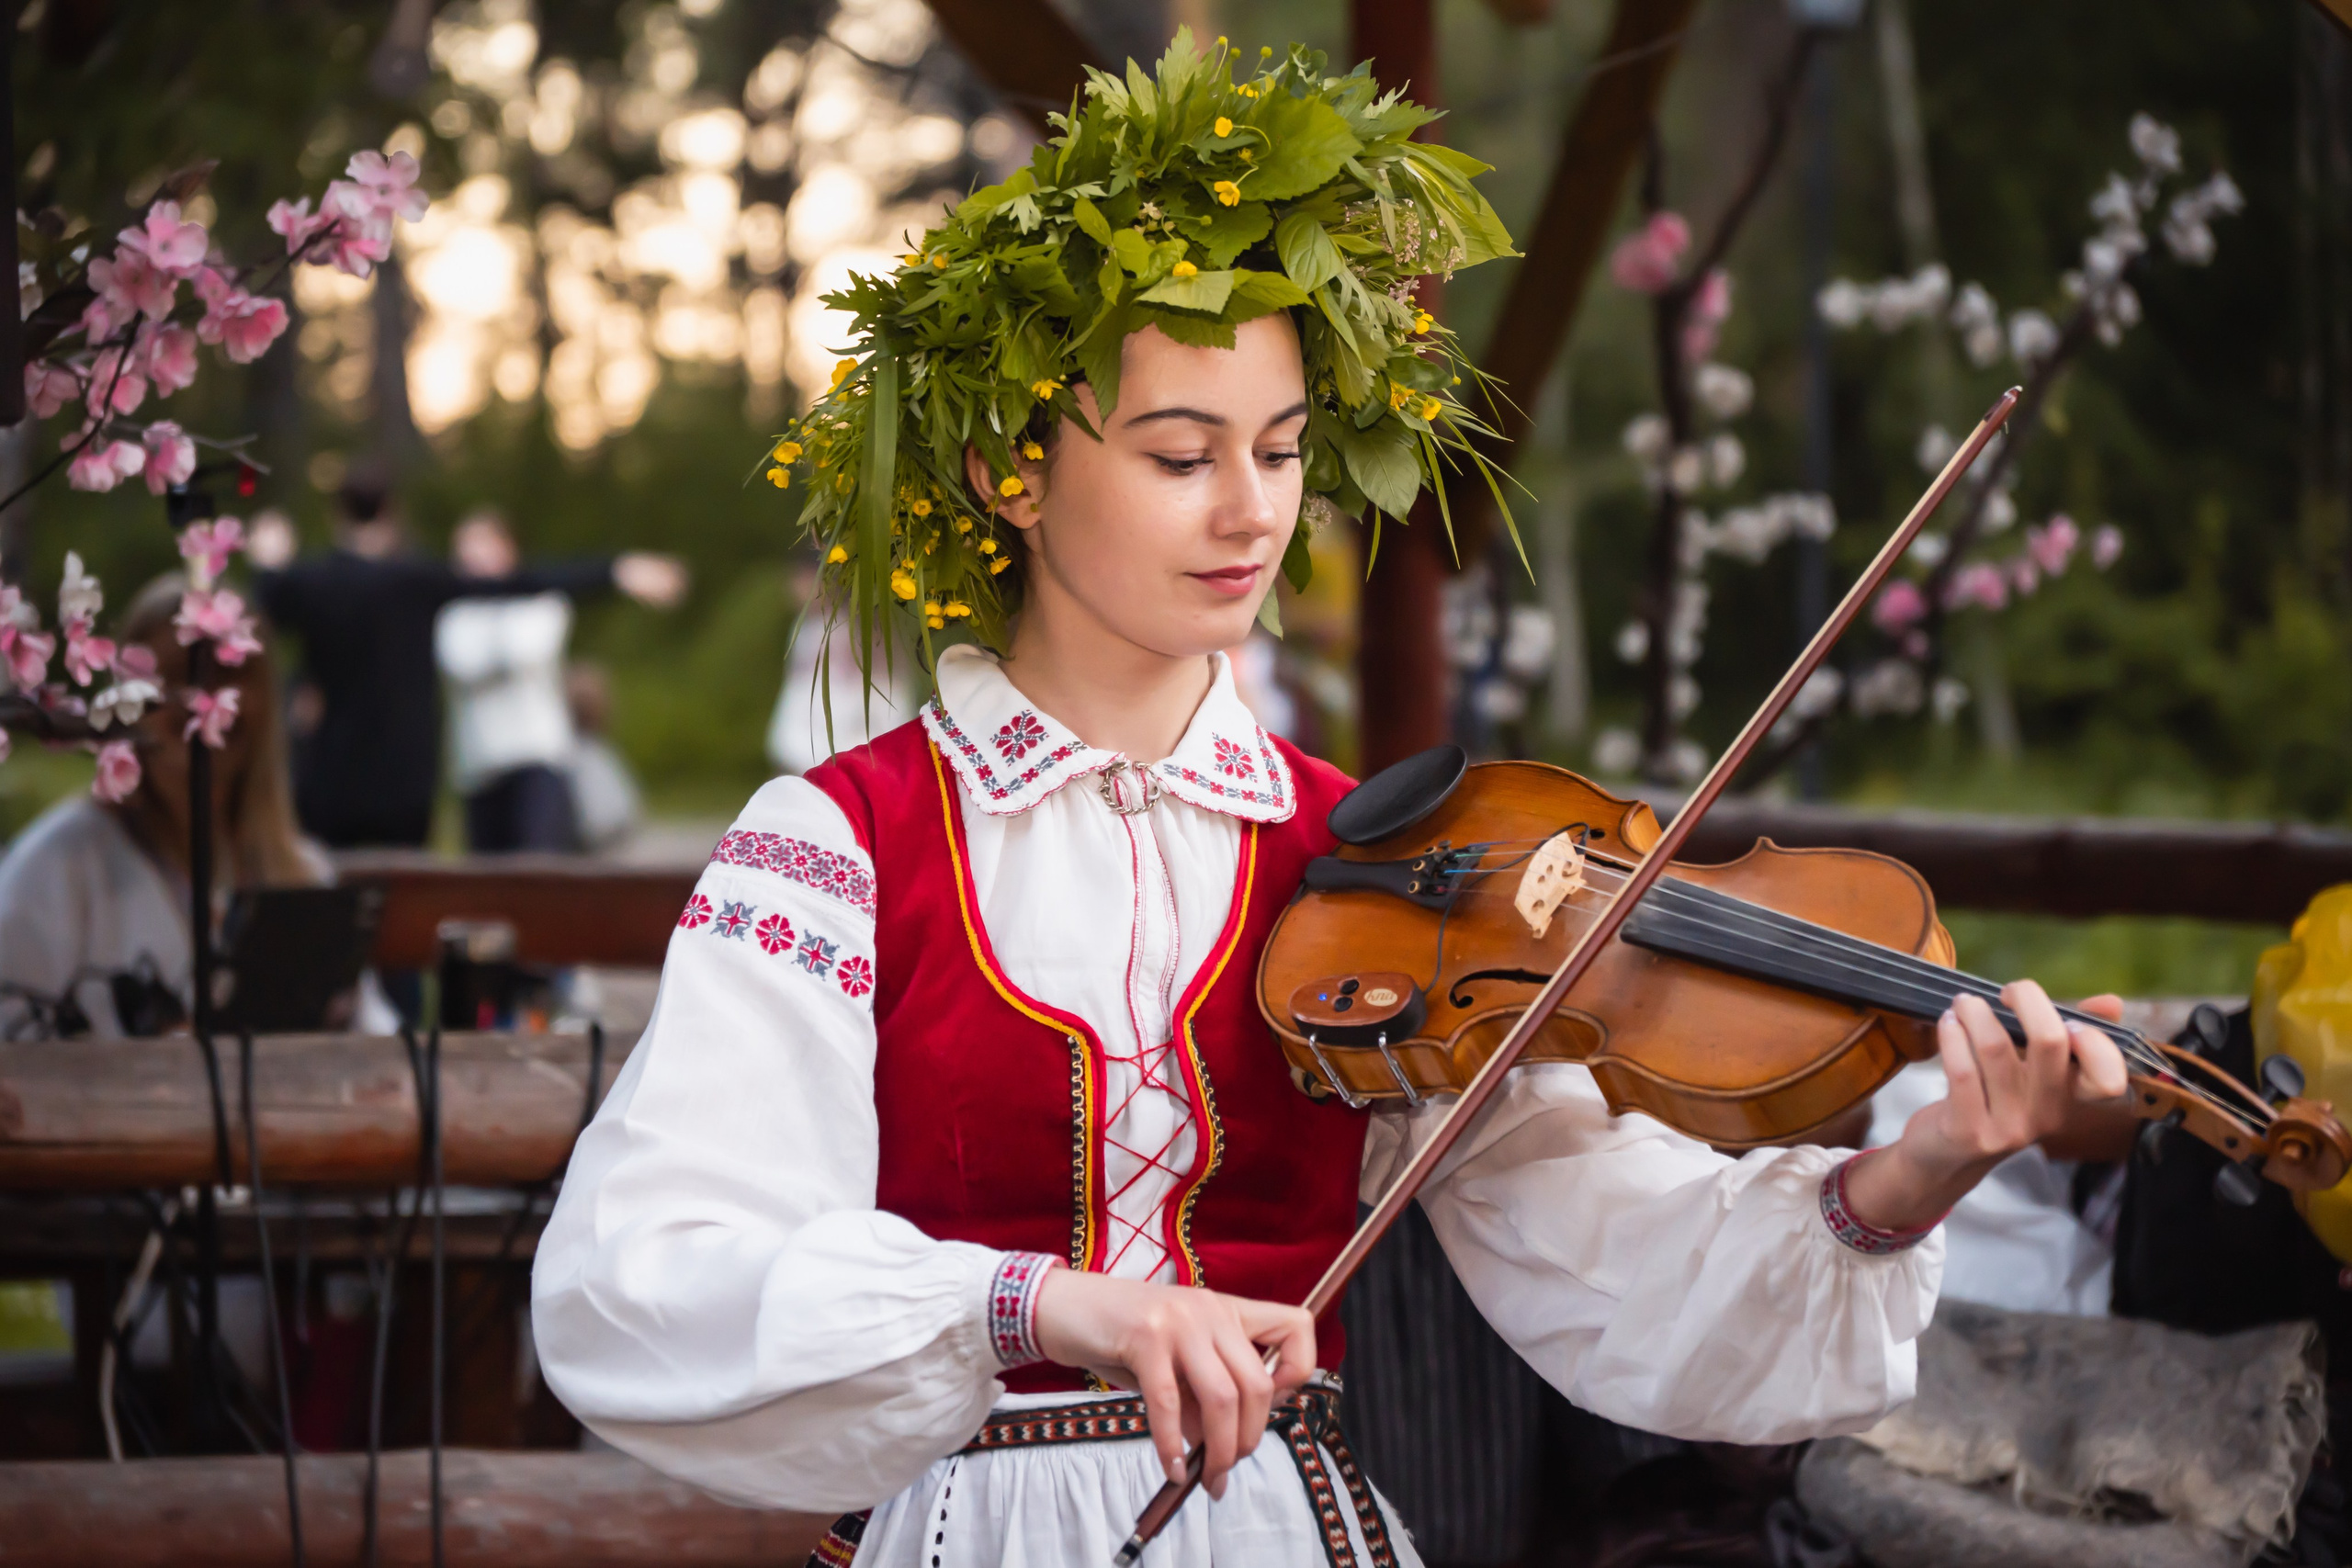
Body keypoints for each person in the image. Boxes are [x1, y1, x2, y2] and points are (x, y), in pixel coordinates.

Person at [531, 38, 2129, 1567]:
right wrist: (1046, 1306)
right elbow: (649, 1276)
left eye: (1283, 449)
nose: (1251, 510)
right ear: (1006, 475)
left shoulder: (1383, 870)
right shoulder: (837, 846)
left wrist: (1911, 1174)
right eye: (1178, 454)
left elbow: (1616, 1256)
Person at [248, 474, 685, 849]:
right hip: (426, 783)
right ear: (393, 512)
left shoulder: (312, 583)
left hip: (344, 781)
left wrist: (269, 563)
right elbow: (527, 585)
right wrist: (616, 572)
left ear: (336, 513)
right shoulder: (421, 585)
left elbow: (263, 618)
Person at [0, 575, 340, 1037]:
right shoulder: (55, 867)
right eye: (176, 676)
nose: (201, 703)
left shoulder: (302, 876)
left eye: (228, 673)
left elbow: (372, 1037)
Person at [434, 510, 611, 853]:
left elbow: (525, 651)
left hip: (537, 761)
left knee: (538, 874)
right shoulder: (450, 610)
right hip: (477, 769)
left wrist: (490, 626)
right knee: (488, 888)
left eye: (483, 546)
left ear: (507, 549)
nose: (474, 559)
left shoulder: (543, 598)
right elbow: (459, 662)